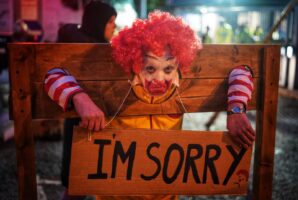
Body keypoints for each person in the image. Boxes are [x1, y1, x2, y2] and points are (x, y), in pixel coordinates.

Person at [44, 11, 255, 200]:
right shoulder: (113, 88)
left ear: (179, 66)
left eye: (169, 68)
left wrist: (236, 108)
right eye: (150, 68)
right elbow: (51, 73)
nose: (160, 79)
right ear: (135, 64)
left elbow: (243, 69)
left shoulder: (179, 89)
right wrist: (80, 98)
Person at [55, 1, 117, 200]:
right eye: (111, 22)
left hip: (91, 123)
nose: (114, 26)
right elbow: (52, 72)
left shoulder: (74, 41)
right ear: (100, 23)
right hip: (80, 123)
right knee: (78, 183)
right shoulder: (85, 50)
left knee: (78, 185)